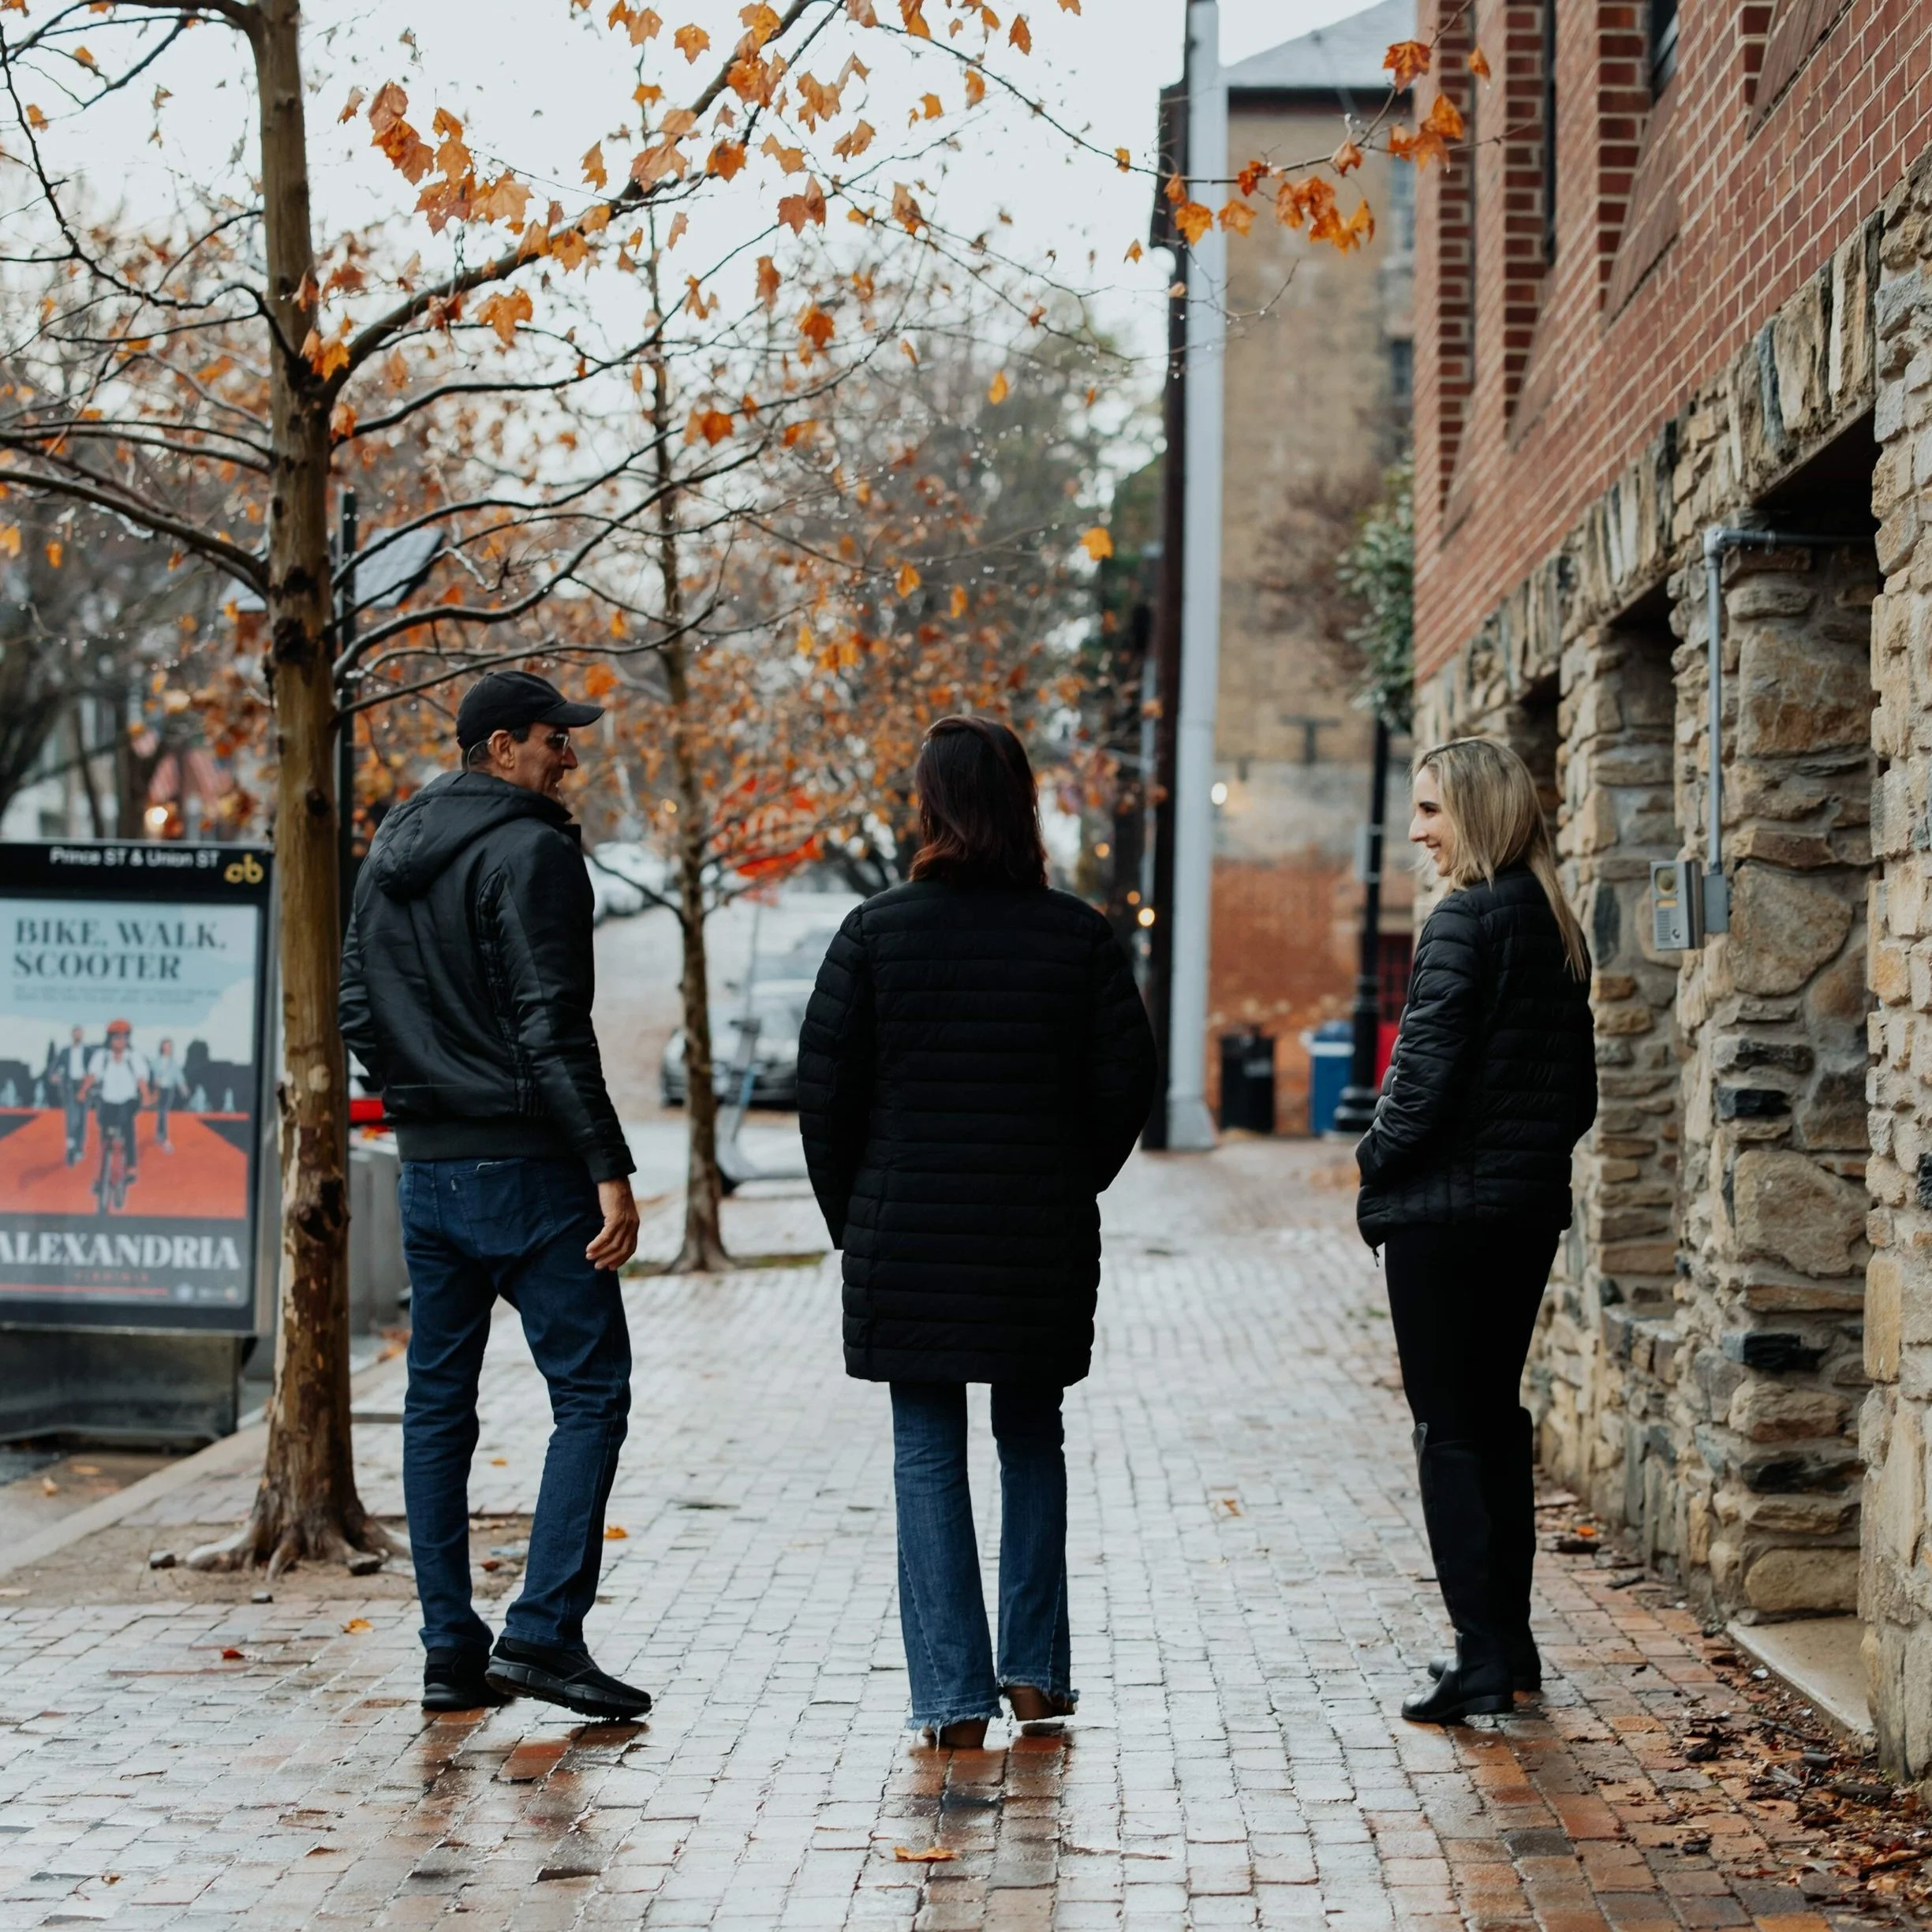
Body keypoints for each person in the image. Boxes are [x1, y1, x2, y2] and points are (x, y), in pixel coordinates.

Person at [799, 716, 1157, 1749]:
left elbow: (825, 1094)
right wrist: (1065, 1176)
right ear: (1021, 804)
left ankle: (953, 1695)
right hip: (1032, 1232)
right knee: (1029, 1436)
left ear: (930, 807)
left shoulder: (874, 931)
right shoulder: (1077, 935)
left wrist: (854, 1214)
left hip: (905, 1231)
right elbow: (1124, 1081)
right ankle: (1036, 1670)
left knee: (925, 1448)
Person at [340, 669, 648, 1722]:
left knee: (437, 1405)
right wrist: (607, 1166)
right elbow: (551, 1021)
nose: (570, 755)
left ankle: (447, 1650)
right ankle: (543, 1633)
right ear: (504, 745)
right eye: (555, 739)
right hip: (526, 1170)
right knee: (593, 1389)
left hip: (428, 1172)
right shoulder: (534, 852)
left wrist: (422, 1101)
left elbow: (354, 1005)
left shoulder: (392, 846)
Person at [1355, 737, 1597, 1725]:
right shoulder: (1553, 922)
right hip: (1521, 1213)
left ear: (1479, 815)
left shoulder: (1462, 920)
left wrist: (1374, 1159)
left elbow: (1420, 1082)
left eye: (1431, 811)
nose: (1416, 830)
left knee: (1450, 1433)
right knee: (1494, 1423)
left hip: (1444, 1222)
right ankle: (1512, 1643)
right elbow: (1575, 1096)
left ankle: (1480, 1657)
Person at [82, 1020, 152, 1197]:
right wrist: (83, 1091)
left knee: (127, 1128)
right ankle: (100, 1179)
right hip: (107, 1101)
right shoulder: (102, 1056)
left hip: (128, 1101)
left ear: (128, 1039)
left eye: (123, 1037)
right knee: (105, 1139)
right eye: (116, 1037)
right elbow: (92, 1076)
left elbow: (141, 1080)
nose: (120, 1041)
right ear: (110, 1039)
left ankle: (131, 1167)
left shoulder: (134, 1057)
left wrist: (145, 1096)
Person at [54, 1026, 90, 1164]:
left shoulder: (88, 1052)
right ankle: (70, 1146)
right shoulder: (65, 1052)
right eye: (75, 1033)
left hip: (83, 1085)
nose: (78, 1036)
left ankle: (79, 1149)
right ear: (72, 1035)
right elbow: (55, 1066)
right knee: (71, 1116)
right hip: (69, 1085)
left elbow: (94, 1068)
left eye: (80, 1033)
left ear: (82, 1035)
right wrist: (54, 1075)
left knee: (82, 1118)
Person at [151, 1037, 185, 1153]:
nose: (168, 1048)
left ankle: (160, 1135)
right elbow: (152, 1073)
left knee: (163, 1112)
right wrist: (154, 1080)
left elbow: (178, 1076)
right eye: (166, 1046)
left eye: (169, 1046)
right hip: (159, 1088)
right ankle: (164, 1139)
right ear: (162, 1047)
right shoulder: (156, 1061)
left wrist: (183, 1087)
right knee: (162, 1112)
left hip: (169, 1088)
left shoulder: (173, 1062)